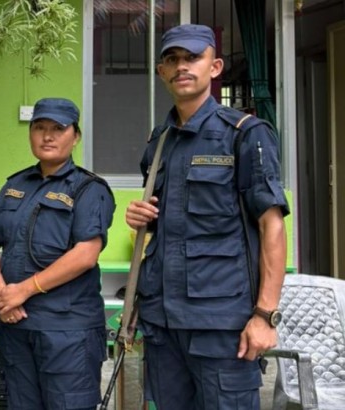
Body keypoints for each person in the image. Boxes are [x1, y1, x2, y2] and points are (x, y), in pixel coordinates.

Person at [124, 24, 289, 410]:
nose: (182, 66)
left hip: (221, 325)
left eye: (192, 57)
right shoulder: (158, 141)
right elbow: (163, 232)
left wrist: (265, 315)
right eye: (172, 59)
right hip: (163, 324)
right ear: (161, 71)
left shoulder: (245, 134)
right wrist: (140, 218)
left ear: (214, 67)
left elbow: (272, 225)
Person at [0, 97, 115, 409]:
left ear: (75, 136)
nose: (47, 135)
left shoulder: (89, 189)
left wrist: (22, 291)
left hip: (67, 332)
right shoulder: (15, 184)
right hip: (17, 326)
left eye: (58, 128)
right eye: (39, 127)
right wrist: (3, 295)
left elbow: (85, 254)